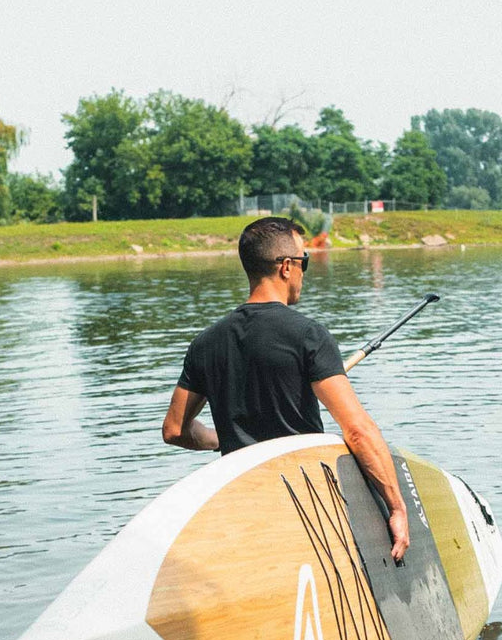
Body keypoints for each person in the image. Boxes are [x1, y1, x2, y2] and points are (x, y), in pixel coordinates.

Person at [162, 217, 409, 561]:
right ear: (287, 267)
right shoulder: (307, 335)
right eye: (305, 261)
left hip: (242, 505)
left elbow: (175, 430)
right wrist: (396, 507)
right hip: (303, 507)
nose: (304, 272)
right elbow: (357, 430)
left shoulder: (205, 343)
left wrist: (222, 439)